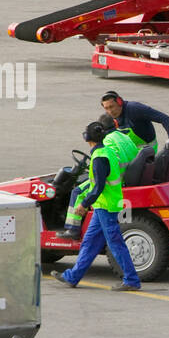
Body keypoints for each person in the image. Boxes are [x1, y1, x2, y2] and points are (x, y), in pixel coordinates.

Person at [50, 121, 142, 291]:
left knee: (115, 243)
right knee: (90, 243)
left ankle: (132, 280)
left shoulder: (99, 157)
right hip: (104, 206)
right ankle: (73, 277)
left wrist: (84, 204)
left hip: (106, 207)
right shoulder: (107, 151)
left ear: (87, 138)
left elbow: (98, 186)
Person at [61, 119, 138, 239]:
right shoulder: (125, 137)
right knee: (97, 240)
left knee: (77, 191)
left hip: (115, 179)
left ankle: (73, 228)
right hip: (127, 175)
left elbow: (107, 164)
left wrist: (85, 203)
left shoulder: (107, 141)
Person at [99, 90, 169, 156]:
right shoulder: (108, 117)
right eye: (106, 108)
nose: (110, 111)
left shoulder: (134, 109)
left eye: (112, 107)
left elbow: (164, 118)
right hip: (130, 150)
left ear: (119, 102)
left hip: (147, 150)